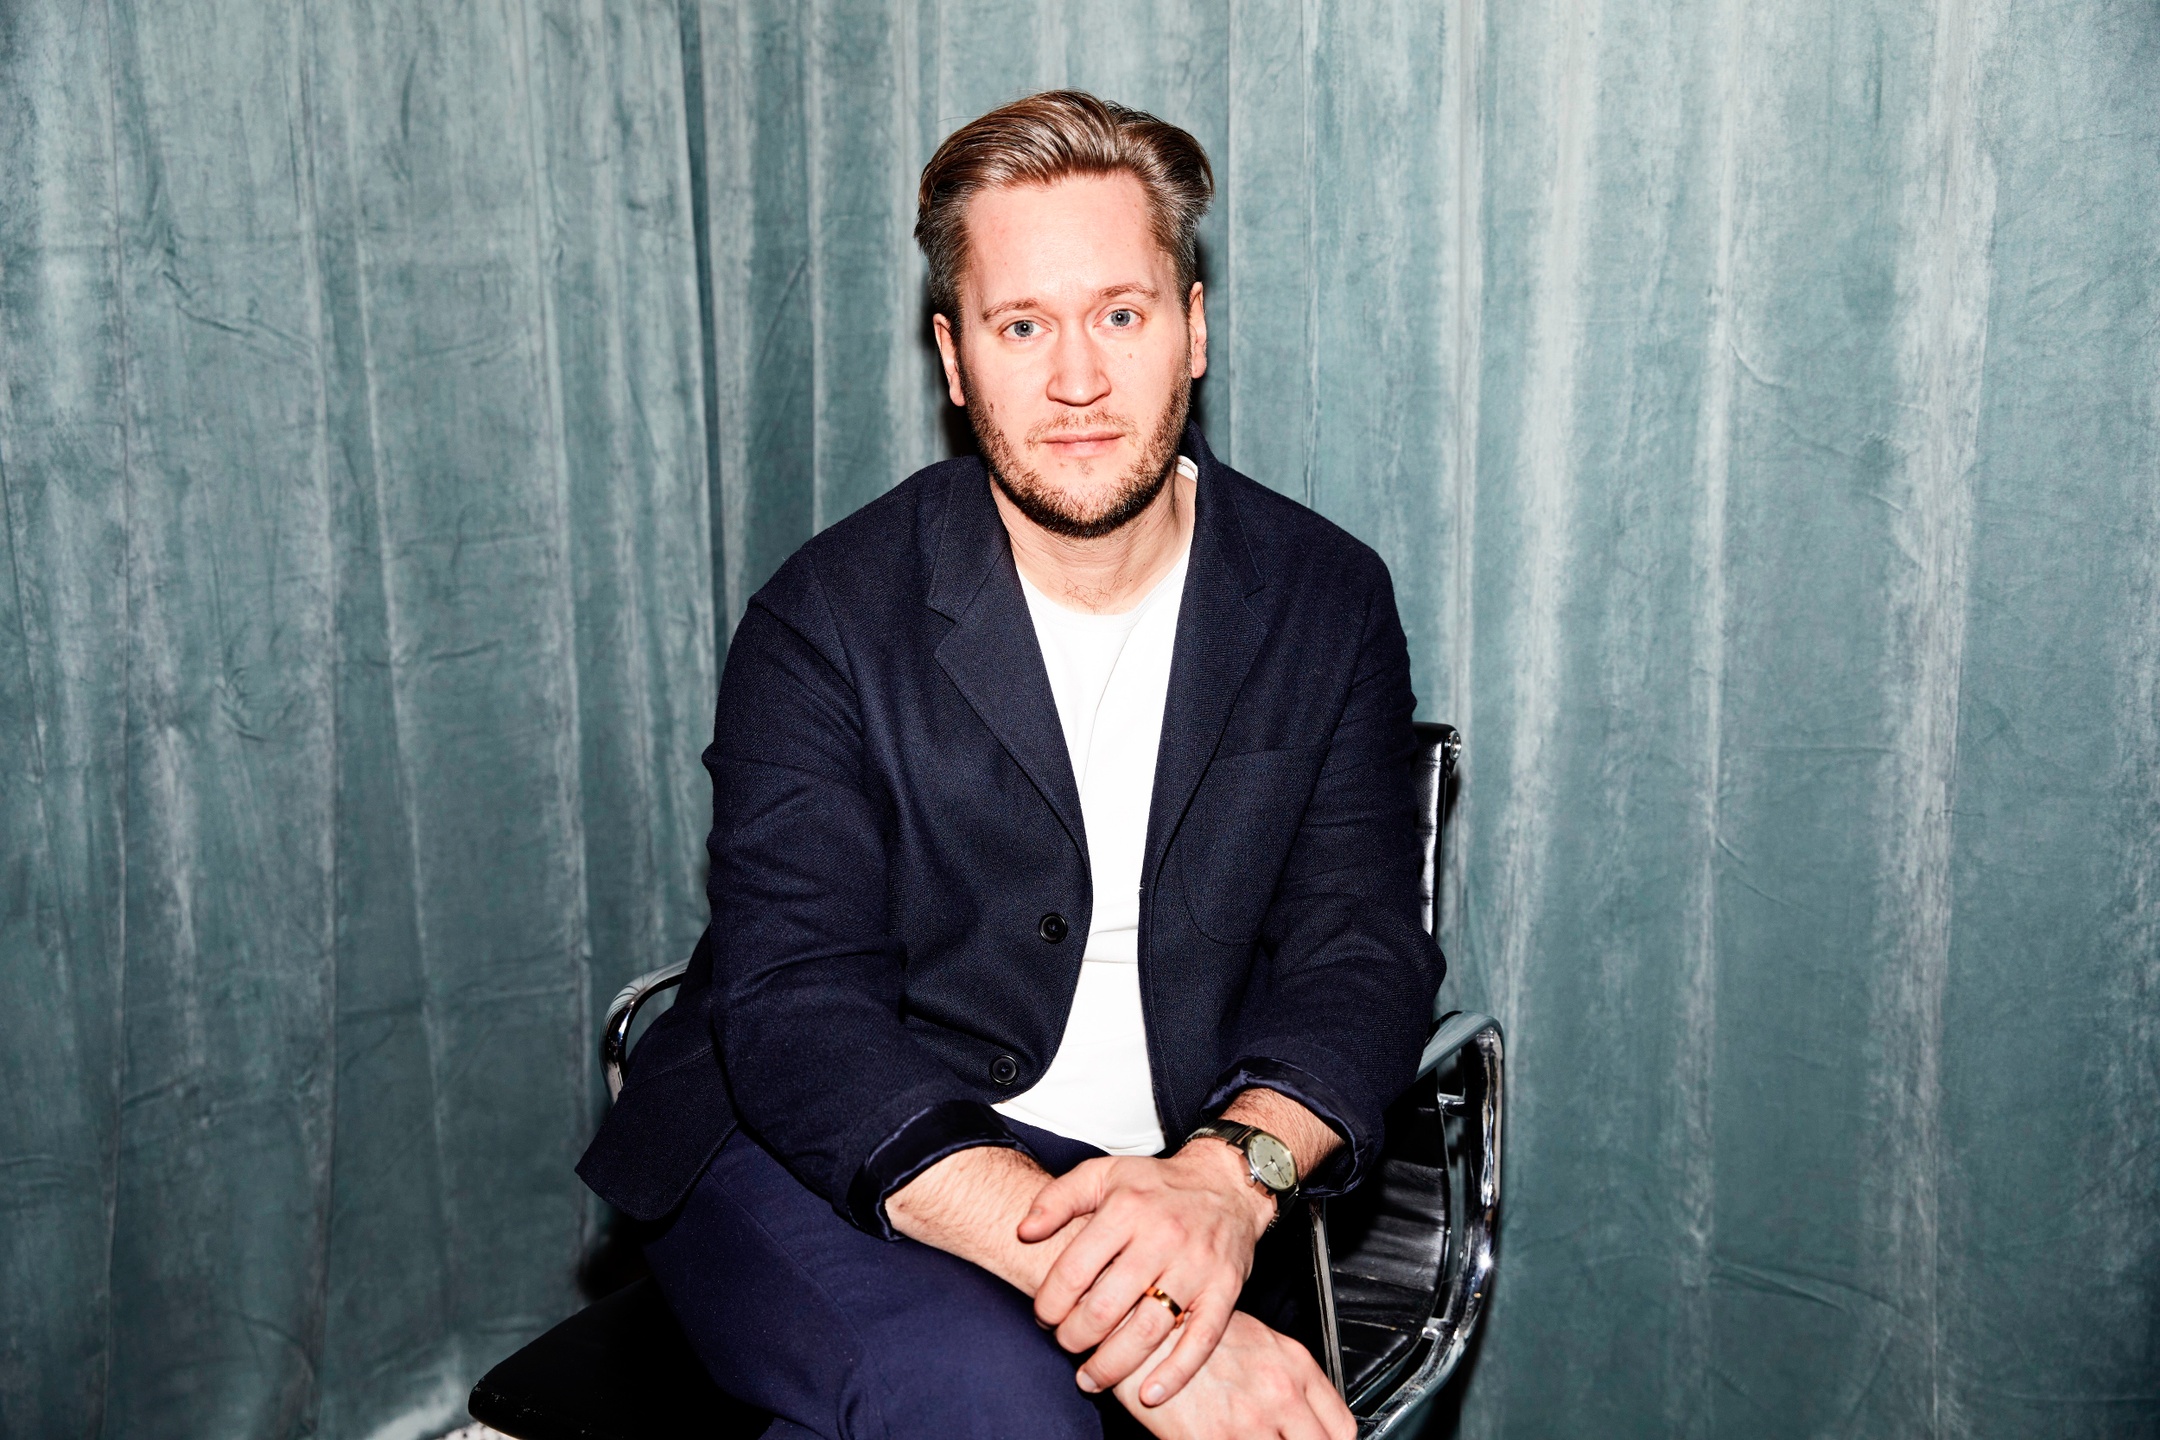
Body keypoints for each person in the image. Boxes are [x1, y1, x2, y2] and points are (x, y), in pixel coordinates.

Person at [577, 89, 1442, 1440]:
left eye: (1121, 315)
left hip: (1165, 1167)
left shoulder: (1323, 597)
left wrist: (1228, 1179)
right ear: (955, 358)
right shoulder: (825, 618)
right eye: (1022, 326)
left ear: (1195, 329)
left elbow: (1363, 950)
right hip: (828, 1140)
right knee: (992, 1397)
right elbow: (797, 1009)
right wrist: (1146, 1312)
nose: (1077, 379)